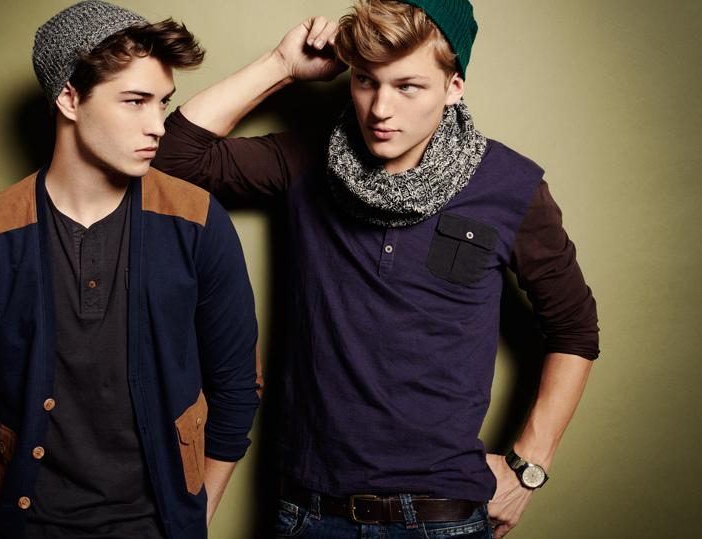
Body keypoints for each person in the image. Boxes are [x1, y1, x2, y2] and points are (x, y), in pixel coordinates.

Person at [152, 0, 598, 537]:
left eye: (408, 86)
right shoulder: (307, 161)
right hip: (309, 512)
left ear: (453, 87)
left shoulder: (509, 185)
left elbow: (574, 328)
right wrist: (281, 65)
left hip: (441, 517)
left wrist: (530, 465)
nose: (381, 109)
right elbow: (171, 158)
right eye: (366, 81)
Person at [0, 2, 262, 537]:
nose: (158, 125)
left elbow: (238, 383)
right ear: (69, 98)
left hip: (162, 526)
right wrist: (0, 505)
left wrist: (193, 516)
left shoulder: (197, 220)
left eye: (163, 102)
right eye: (135, 101)